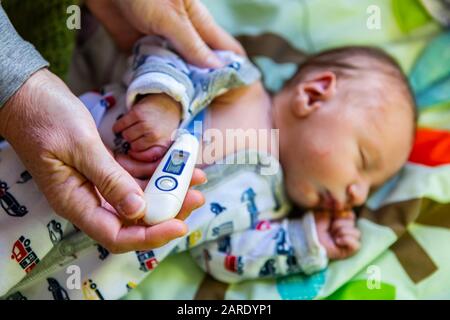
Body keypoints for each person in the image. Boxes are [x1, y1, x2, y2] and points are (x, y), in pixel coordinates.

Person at [0, 0, 245, 254]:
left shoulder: (274, 200)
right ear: (293, 97)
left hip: (84, 212)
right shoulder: (247, 82)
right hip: (59, 124)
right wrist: (165, 99)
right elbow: (168, 50)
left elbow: (226, 255)